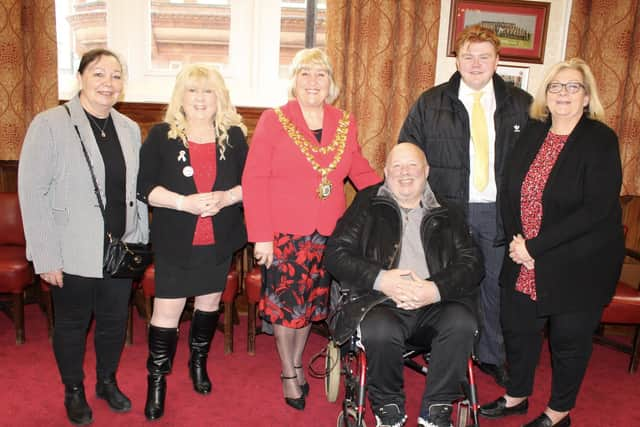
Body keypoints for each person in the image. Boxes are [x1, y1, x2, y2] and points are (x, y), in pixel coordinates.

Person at [479, 58, 625, 427]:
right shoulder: (531, 132)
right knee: (518, 330)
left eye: (572, 86)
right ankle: (517, 396)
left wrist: (535, 249)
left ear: (587, 96)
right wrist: (518, 243)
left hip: (578, 261)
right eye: (556, 86)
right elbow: (511, 190)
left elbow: (595, 209)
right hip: (523, 251)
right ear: (546, 94)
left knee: (568, 341)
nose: (563, 93)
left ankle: (559, 412)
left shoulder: (600, 139)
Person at [242, 48, 380, 410]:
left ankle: (299, 361)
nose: (313, 81)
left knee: (308, 308)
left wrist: (393, 192)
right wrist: (260, 236)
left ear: (331, 83)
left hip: (327, 233)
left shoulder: (344, 122)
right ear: (294, 81)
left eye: (320, 74)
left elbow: (359, 169)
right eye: (305, 74)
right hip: (283, 233)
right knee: (287, 308)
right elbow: (254, 179)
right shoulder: (274, 120)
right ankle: (288, 371)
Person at [18, 48, 148, 426]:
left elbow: (135, 190)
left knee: (113, 322)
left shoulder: (128, 128)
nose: (108, 83)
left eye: (116, 75)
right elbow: (32, 192)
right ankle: (73, 388)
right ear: (80, 78)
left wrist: (138, 239)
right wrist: (45, 256)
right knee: (73, 324)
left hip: (119, 250)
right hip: (70, 250)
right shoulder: (50, 124)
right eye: (99, 74)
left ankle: (107, 381)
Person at [397, 24, 532, 387]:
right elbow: (407, 153)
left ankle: (490, 356)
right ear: (456, 59)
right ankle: (446, 354)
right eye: (468, 56)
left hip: (496, 213)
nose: (475, 63)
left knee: (493, 288)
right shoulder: (430, 102)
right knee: (447, 284)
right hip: (444, 212)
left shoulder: (521, 104)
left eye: (484, 57)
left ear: (498, 60)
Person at [324, 143, 483, 427]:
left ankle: (437, 409)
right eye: (396, 167)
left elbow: (473, 263)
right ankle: (389, 410)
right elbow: (335, 254)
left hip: (436, 303)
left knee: (461, 322)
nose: (404, 173)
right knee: (380, 328)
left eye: (412, 166)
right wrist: (382, 279)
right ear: (385, 172)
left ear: (426, 171)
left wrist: (434, 289)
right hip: (379, 301)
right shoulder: (367, 203)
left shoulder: (448, 211)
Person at [137, 64, 248, 421]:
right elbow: (146, 189)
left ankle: (197, 362)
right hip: (175, 242)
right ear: (180, 97)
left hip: (217, 242)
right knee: (166, 314)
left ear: (220, 98)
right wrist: (183, 202)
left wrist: (227, 197)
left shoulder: (233, 137)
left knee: (208, 306)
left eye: (208, 91)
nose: (200, 98)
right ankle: (157, 380)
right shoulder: (161, 135)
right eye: (193, 90)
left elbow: (252, 185)